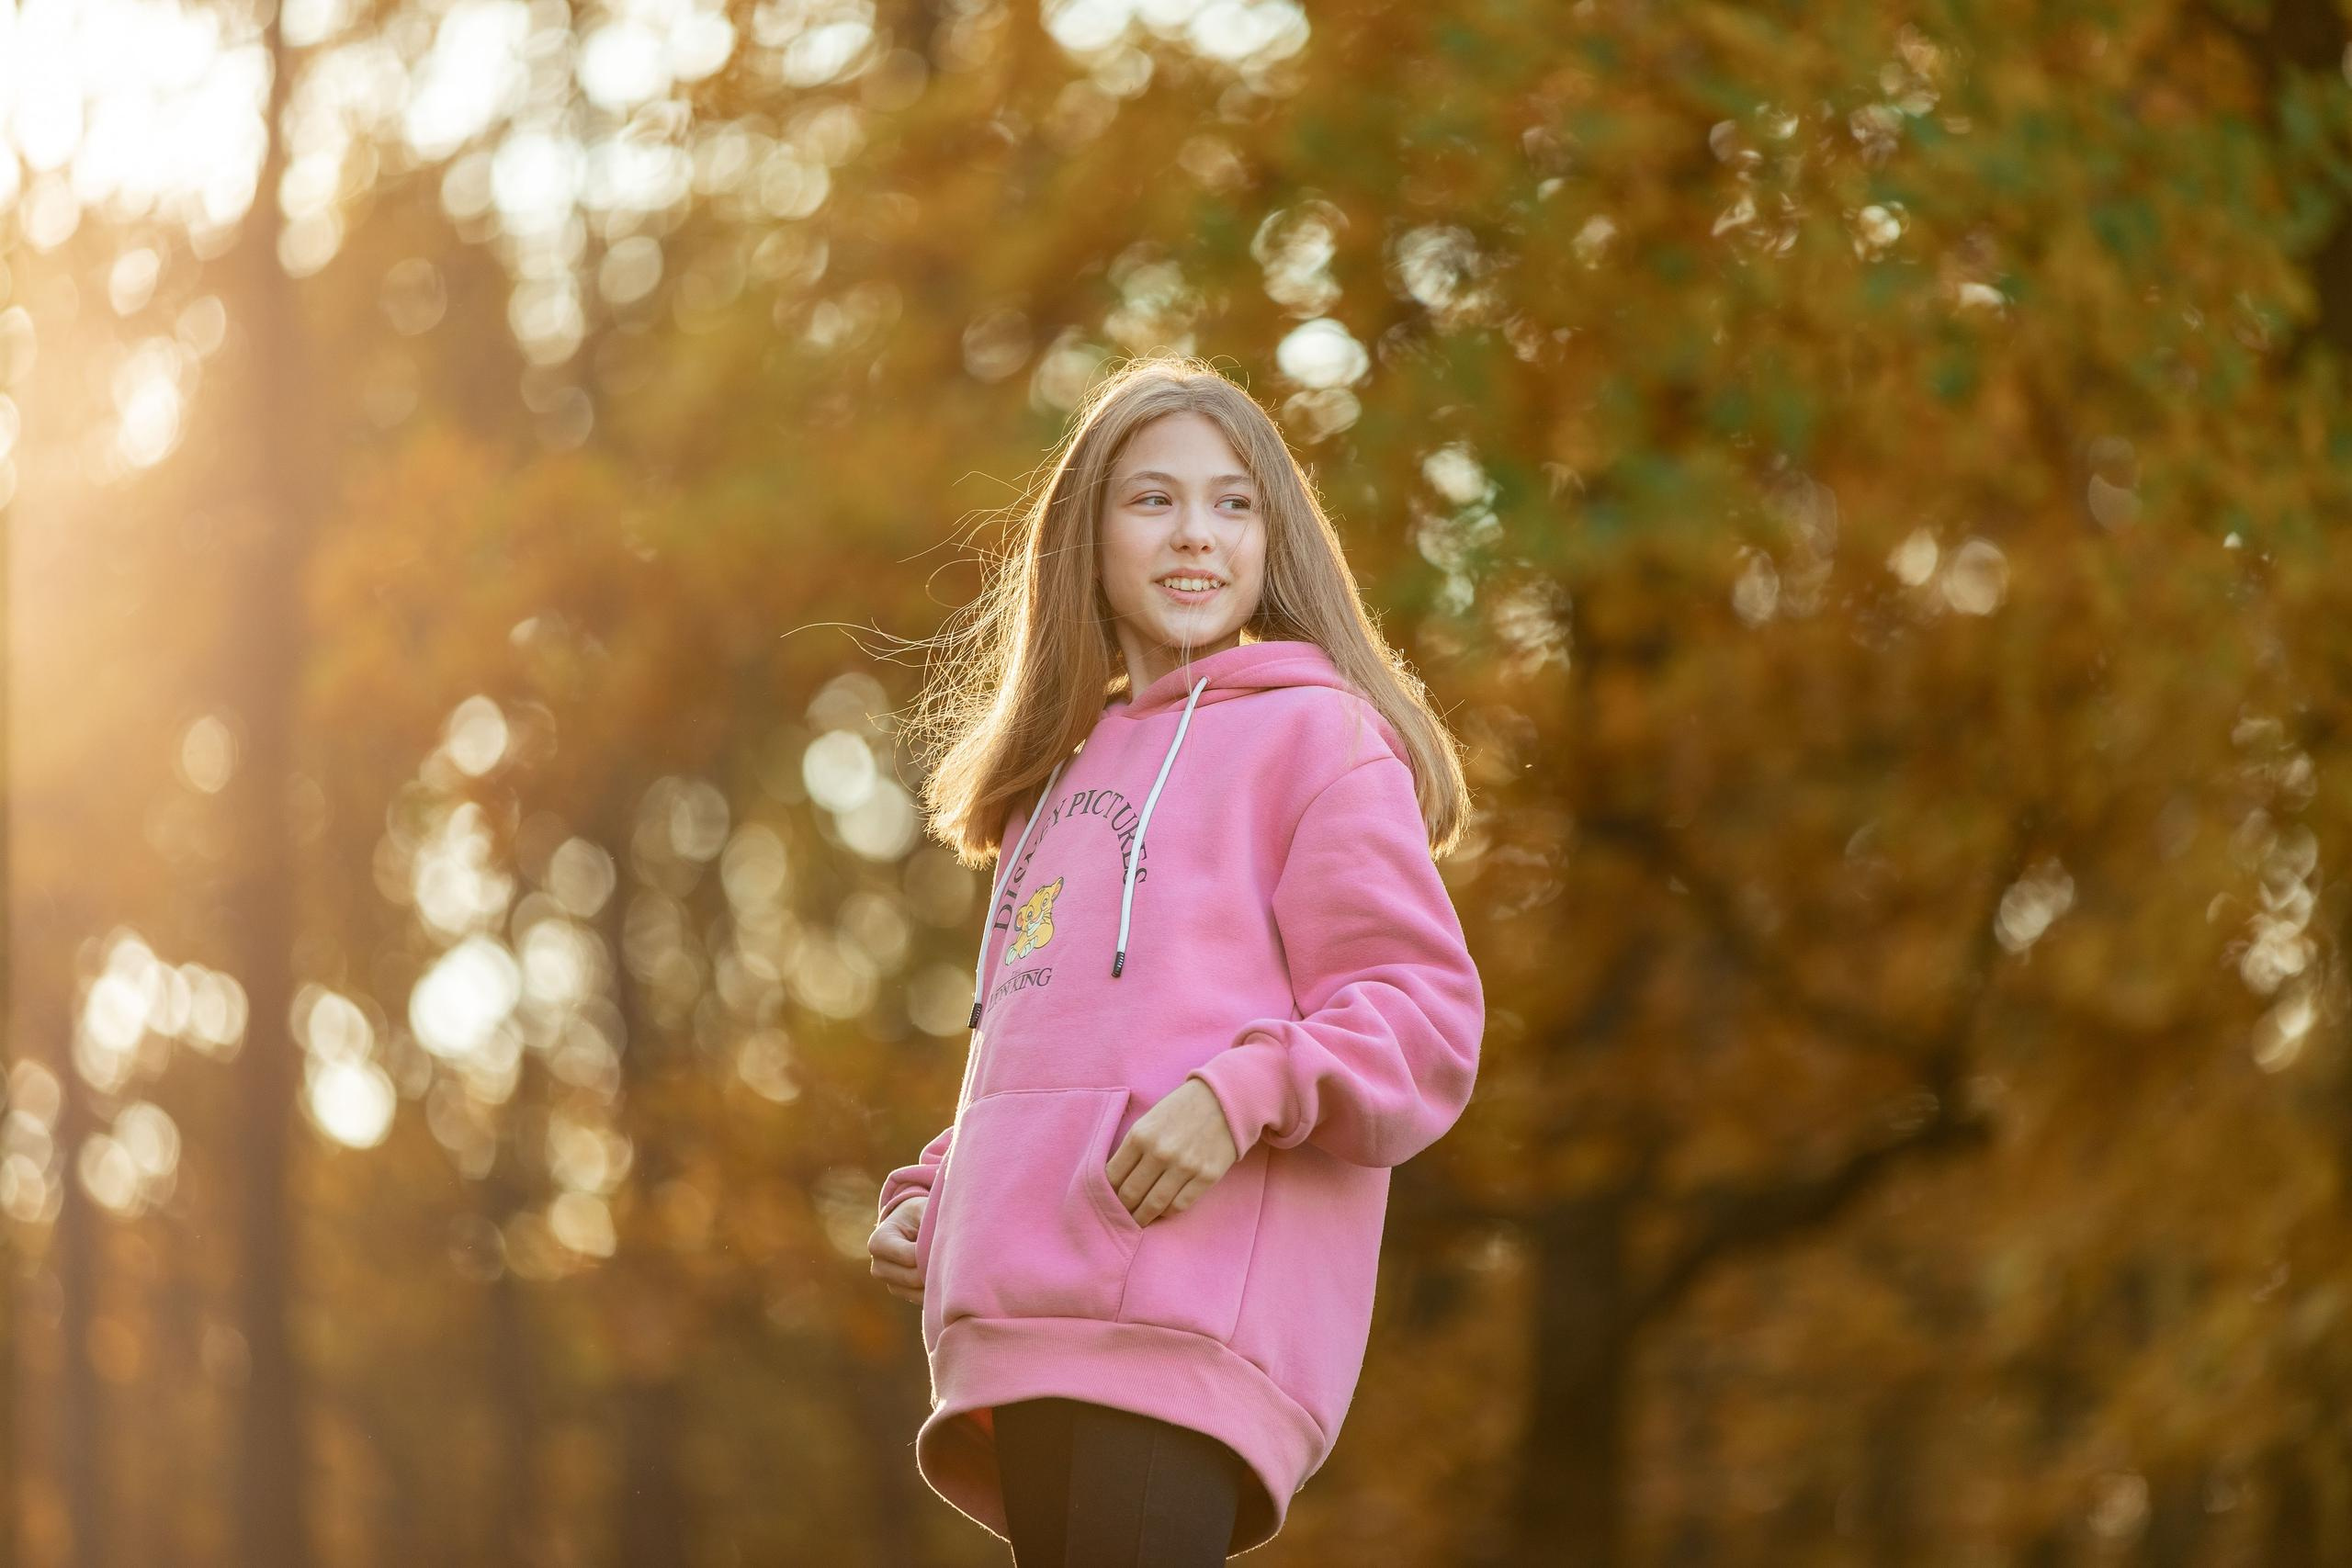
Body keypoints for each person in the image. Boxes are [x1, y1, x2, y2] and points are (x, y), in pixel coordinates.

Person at [865, 355, 1485, 1563]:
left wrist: (1238, 1096)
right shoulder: (1048, 793)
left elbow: (1423, 1016)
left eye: (1233, 502)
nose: (1196, 533)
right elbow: (1051, 1061)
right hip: (1027, 1326)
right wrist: (943, 1196)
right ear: (1085, 539)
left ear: (1273, 539)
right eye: (1153, 500)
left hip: (1182, 1330)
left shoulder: (1315, 739)